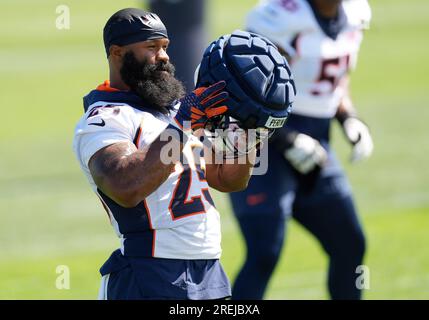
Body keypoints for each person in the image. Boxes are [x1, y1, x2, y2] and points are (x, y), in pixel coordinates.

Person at [73, 8, 256, 300]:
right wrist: (182, 125)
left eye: (165, 47)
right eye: (151, 47)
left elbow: (226, 178)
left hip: (209, 272)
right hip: (149, 274)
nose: (164, 56)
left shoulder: (172, 111)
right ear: (117, 53)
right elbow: (125, 186)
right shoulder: (103, 119)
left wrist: (252, 130)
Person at [229, 0, 374, 300]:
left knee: (350, 243)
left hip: (316, 142)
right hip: (262, 144)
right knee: (264, 252)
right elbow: (242, 89)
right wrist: (287, 138)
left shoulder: (356, 13)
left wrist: (349, 118)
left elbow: (335, 77)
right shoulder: (278, 16)